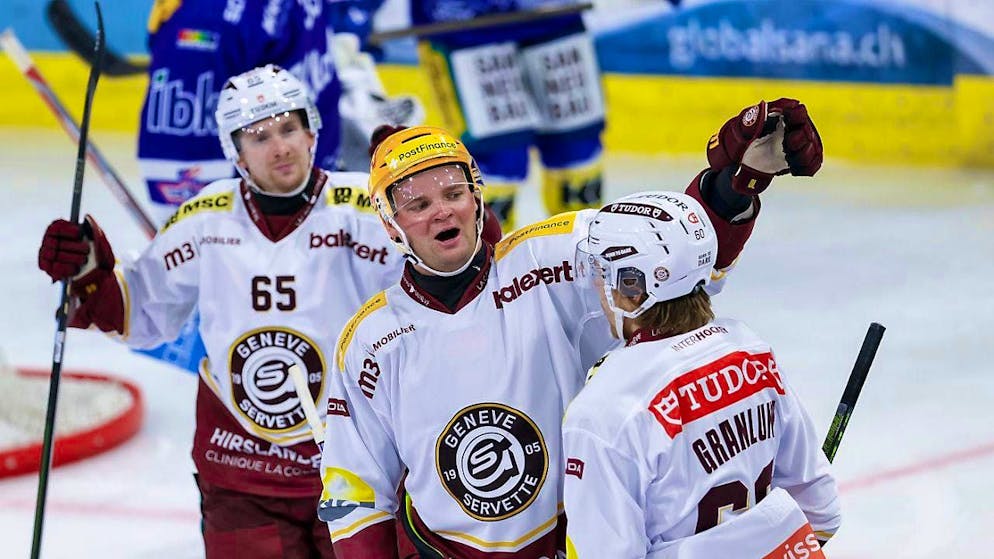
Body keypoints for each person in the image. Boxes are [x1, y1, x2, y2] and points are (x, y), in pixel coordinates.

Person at [317, 96, 824, 557]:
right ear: (389, 223)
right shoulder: (370, 340)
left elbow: (665, 249)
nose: (442, 210)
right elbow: (358, 492)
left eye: (454, 192)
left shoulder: (549, 255)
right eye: (419, 204)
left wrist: (737, 181)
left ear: (477, 196)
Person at [38, 65, 420, 559]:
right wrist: (88, 267)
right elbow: (139, 309)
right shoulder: (207, 218)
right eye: (258, 136)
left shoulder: (366, 209)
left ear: (311, 132)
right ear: (234, 152)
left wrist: (414, 192)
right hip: (241, 468)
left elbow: (448, 277)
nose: (279, 146)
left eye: (288, 128)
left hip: (362, 463)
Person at [562, 192, 840, 558]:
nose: (595, 286)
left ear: (632, 287)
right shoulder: (751, 352)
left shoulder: (603, 412)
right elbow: (821, 511)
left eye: (601, 272)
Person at [413, 0, 609, 232]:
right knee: (499, 158)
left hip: (556, 16)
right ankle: (484, 258)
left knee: (577, 150)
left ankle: (584, 247)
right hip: (463, 26)